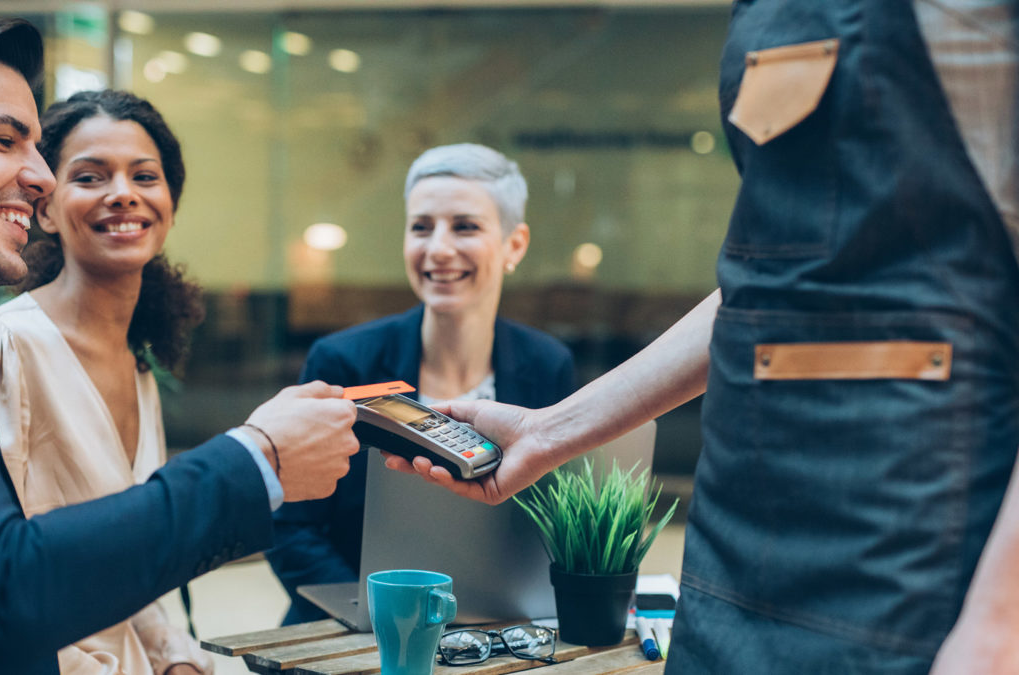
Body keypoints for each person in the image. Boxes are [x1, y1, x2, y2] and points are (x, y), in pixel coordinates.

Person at [392, 1, 1019, 673]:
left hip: (915, 553)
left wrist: (998, 626)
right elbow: (769, 287)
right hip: (732, 548)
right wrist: (550, 431)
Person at [0, 12, 359, 673]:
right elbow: (4, 584)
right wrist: (259, 458)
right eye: (3, 141)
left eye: (36, 147)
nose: (40, 176)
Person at [265, 143, 576, 624]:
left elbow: (554, 523)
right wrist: (377, 617)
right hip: (351, 626)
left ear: (514, 245)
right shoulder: (345, 361)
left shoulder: (546, 364)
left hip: (495, 625)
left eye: (465, 226)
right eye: (421, 227)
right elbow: (291, 528)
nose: (439, 248)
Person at [0, 90, 213, 675]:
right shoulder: (5, 343)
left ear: (169, 203)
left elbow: (128, 563)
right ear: (46, 208)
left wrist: (175, 658)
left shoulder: (139, 363)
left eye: (144, 176)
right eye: (91, 176)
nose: (122, 192)